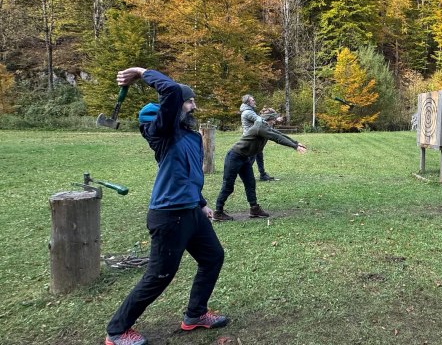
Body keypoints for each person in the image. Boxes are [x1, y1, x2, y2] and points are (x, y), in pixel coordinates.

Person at [105, 67, 228, 345]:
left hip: (191, 212)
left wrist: (201, 203)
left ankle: (195, 315)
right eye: (189, 100)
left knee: (212, 257)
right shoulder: (162, 133)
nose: (193, 104)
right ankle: (117, 330)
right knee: (159, 275)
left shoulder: (192, 137)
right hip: (168, 216)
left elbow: (189, 175)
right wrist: (140, 71)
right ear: (172, 109)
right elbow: (171, 91)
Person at [212, 118, 307, 221]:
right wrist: (294, 146)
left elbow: (280, 134)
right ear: (269, 120)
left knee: (250, 183)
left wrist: (296, 143)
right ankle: (218, 212)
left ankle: (254, 209)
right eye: (273, 119)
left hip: (244, 158)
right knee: (228, 186)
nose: (275, 122)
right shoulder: (260, 128)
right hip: (234, 157)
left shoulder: (265, 127)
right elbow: (277, 138)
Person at [240, 95, 285, 181]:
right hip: (251, 139)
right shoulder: (247, 112)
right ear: (248, 102)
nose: (254, 101)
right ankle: (244, 175)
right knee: (250, 159)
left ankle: (262, 174)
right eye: (252, 100)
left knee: (259, 156)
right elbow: (260, 120)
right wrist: (275, 118)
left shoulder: (249, 111)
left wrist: (273, 118)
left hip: (256, 137)